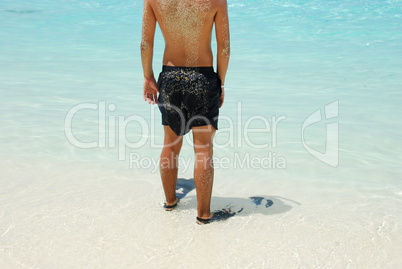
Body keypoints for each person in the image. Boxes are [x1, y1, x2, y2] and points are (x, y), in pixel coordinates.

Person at [140, 0, 230, 224]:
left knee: (170, 143)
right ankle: (203, 214)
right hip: (202, 78)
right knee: (203, 148)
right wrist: (220, 83)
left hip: (170, 77)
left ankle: (170, 202)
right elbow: (225, 48)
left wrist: (148, 76)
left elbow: (145, 43)